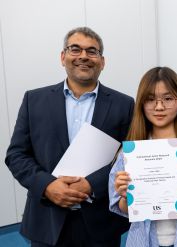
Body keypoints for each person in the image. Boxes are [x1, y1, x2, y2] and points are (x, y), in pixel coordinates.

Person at [5, 27, 133, 247]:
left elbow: (129, 156)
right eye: (75, 49)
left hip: (100, 221)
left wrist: (92, 185)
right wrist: (47, 186)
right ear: (63, 57)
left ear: (102, 61)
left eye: (92, 51)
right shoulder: (33, 100)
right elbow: (16, 155)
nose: (83, 56)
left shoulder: (124, 104)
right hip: (46, 220)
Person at [108, 66, 177, 247]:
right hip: (143, 242)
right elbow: (123, 209)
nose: (159, 107)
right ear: (142, 104)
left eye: (167, 99)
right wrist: (125, 196)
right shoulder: (129, 154)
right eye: (150, 99)